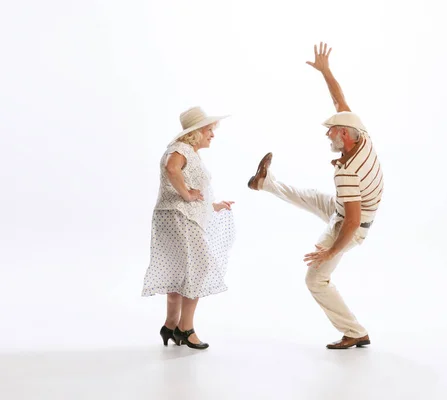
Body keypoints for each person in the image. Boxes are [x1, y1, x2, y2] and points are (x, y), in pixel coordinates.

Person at [247, 43, 384, 349]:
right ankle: (264, 182)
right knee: (309, 196)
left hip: (351, 225)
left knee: (315, 280)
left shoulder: (348, 171)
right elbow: (339, 100)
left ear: (345, 136)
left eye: (331, 131)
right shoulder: (362, 134)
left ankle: (355, 331)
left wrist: (331, 251)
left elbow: (352, 220)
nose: (327, 135)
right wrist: (325, 71)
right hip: (349, 210)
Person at [142, 106, 236, 350]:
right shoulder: (181, 149)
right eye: (209, 130)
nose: (212, 135)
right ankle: (186, 328)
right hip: (179, 217)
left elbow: (189, 185)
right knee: (199, 266)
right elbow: (171, 169)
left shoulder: (187, 151)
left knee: (179, 271)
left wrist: (212, 205)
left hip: (176, 215)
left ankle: (171, 325)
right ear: (196, 132)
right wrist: (186, 194)